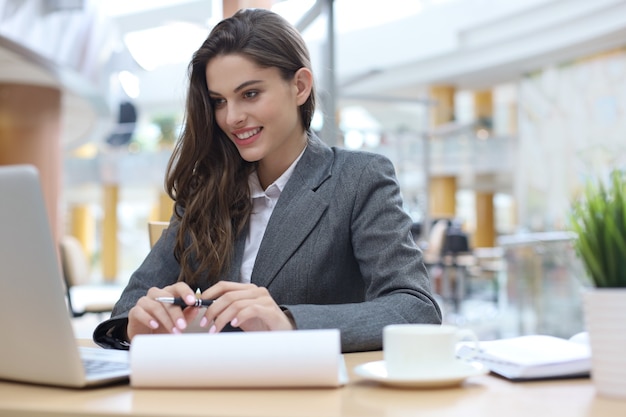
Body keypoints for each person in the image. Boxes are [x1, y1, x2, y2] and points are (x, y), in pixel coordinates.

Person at [93, 8, 442, 353]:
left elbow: (415, 308)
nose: (232, 117)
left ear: (300, 86)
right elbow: (131, 303)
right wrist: (137, 323)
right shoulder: (206, 190)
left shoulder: (359, 179)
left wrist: (288, 323)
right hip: (211, 393)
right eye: (219, 101)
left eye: (250, 94)